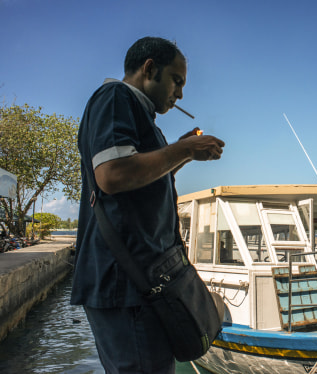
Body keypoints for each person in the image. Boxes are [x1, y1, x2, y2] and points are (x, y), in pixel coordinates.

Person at [70, 36, 225, 374]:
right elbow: (112, 174)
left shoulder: (137, 111)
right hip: (125, 285)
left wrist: (181, 153)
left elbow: (135, 179)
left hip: (137, 284)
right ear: (150, 68)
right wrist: (182, 151)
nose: (180, 93)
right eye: (177, 80)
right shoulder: (115, 97)